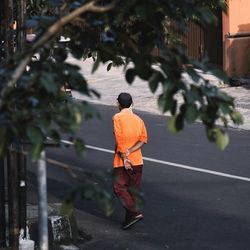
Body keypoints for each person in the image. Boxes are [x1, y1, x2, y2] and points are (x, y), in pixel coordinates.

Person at [112, 92, 148, 230]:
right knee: (132, 192)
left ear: (119, 104)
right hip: (138, 161)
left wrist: (125, 157)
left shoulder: (117, 118)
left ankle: (135, 213)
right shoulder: (139, 119)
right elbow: (143, 139)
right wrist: (131, 151)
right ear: (132, 104)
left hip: (122, 162)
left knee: (119, 188)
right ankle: (128, 220)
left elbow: (119, 139)